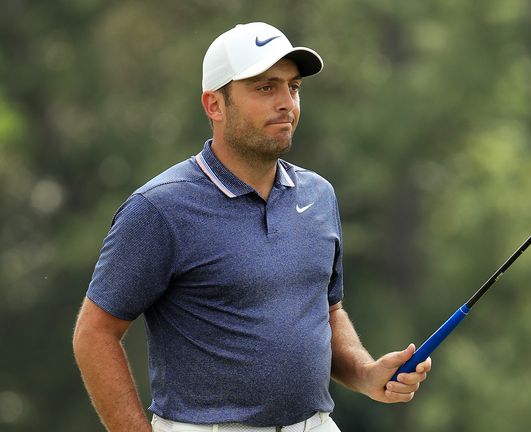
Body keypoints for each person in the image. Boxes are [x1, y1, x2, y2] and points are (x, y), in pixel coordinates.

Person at [72, 22, 431, 432]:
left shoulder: (318, 195)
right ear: (215, 105)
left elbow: (327, 311)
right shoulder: (160, 209)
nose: (287, 104)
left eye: (293, 87)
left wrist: (365, 372)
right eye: (265, 88)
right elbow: (94, 334)